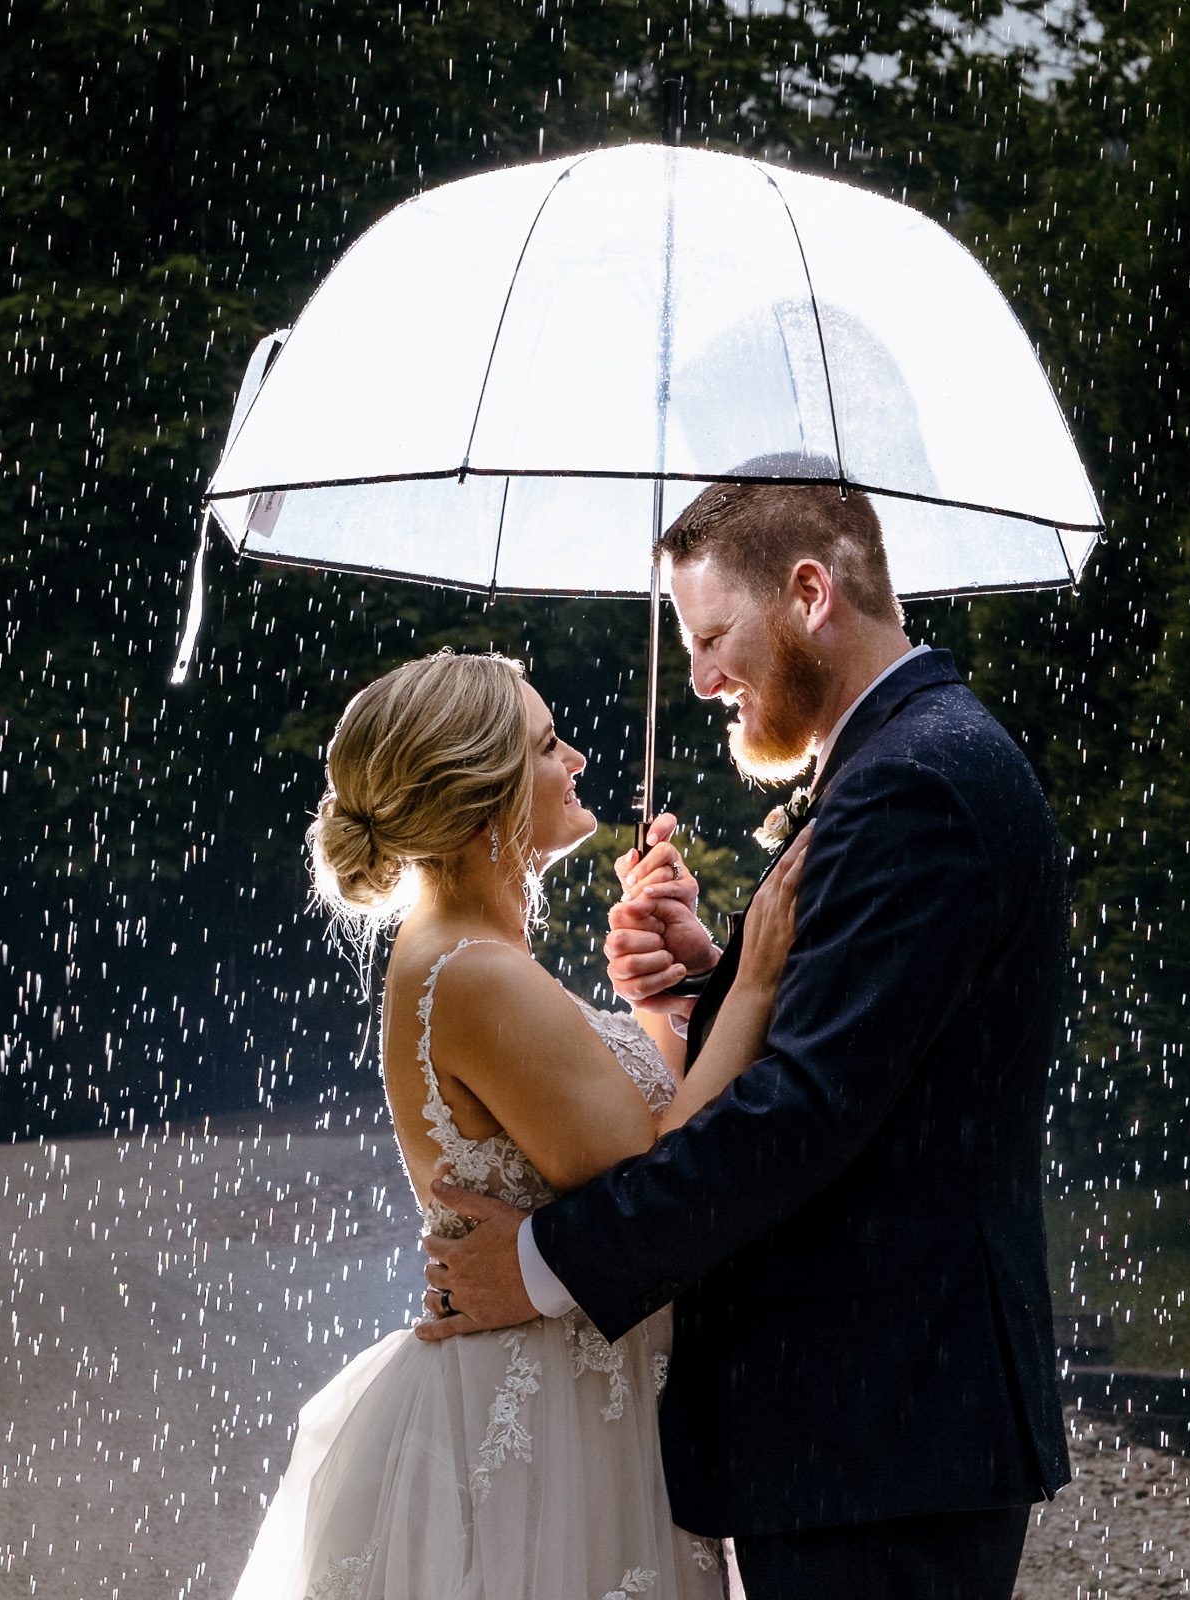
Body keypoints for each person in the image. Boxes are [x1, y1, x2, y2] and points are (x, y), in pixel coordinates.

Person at [418, 482, 1072, 1600]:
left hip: (880, 1426)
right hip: (882, 1424)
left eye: (714, 635)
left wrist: (538, 1266)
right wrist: (718, 985)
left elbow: (799, 1118)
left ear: (810, 593)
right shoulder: (910, 756)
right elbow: (870, 1048)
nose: (707, 675)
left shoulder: (912, 783)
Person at [229, 649, 810, 1600]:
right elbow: (666, 1175)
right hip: (547, 1434)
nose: (576, 758)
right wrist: (753, 983)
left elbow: (639, 1124)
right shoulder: (474, 972)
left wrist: (669, 993)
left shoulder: (476, 957)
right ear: (478, 795)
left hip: (579, 1394)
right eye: (547, 745)